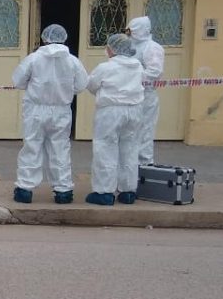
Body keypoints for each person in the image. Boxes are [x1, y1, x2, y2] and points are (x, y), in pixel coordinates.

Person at [11, 23, 89, 204]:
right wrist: (64, 91)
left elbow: (18, 81)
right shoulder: (72, 61)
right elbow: (81, 85)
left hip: (36, 109)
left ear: (44, 39)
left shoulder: (33, 59)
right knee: (60, 149)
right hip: (61, 110)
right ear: (64, 38)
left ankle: (25, 189)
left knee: (32, 147)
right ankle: (63, 191)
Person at [86, 33, 145, 206]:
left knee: (105, 148)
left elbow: (92, 85)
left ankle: (104, 192)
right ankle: (128, 191)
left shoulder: (105, 67)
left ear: (112, 48)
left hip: (110, 110)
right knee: (130, 148)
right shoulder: (138, 66)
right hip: (134, 110)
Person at [128, 16, 165, 164]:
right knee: (129, 131)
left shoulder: (152, 48)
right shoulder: (130, 45)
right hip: (129, 95)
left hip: (145, 96)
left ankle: (144, 164)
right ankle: (129, 166)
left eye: (132, 31)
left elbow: (155, 71)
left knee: (145, 131)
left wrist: (132, 77)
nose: (129, 34)